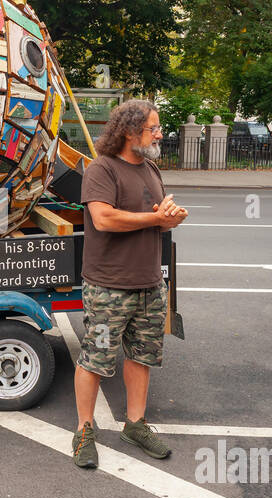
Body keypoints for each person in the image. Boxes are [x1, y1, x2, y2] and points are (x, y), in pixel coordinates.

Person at [73, 99, 187, 469]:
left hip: (150, 285)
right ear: (129, 131)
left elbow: (156, 216)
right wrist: (153, 219)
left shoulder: (151, 168)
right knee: (96, 359)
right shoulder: (101, 169)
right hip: (109, 287)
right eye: (152, 128)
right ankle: (84, 430)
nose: (159, 133)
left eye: (158, 127)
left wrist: (170, 217)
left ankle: (135, 424)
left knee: (142, 356)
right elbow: (103, 219)